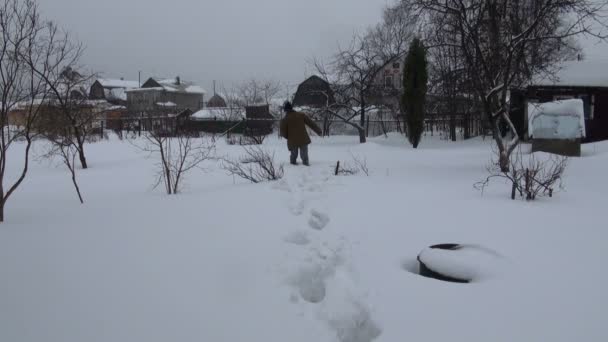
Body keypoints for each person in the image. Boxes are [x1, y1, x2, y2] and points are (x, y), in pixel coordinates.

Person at [280, 101, 322, 166]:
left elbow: (283, 132)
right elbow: (311, 123)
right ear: (292, 108)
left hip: (292, 140)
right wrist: (318, 131)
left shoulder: (285, 119)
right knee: (304, 155)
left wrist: (288, 137)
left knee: (293, 155)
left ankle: (293, 165)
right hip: (303, 138)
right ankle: (306, 164)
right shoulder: (301, 115)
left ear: (285, 110)